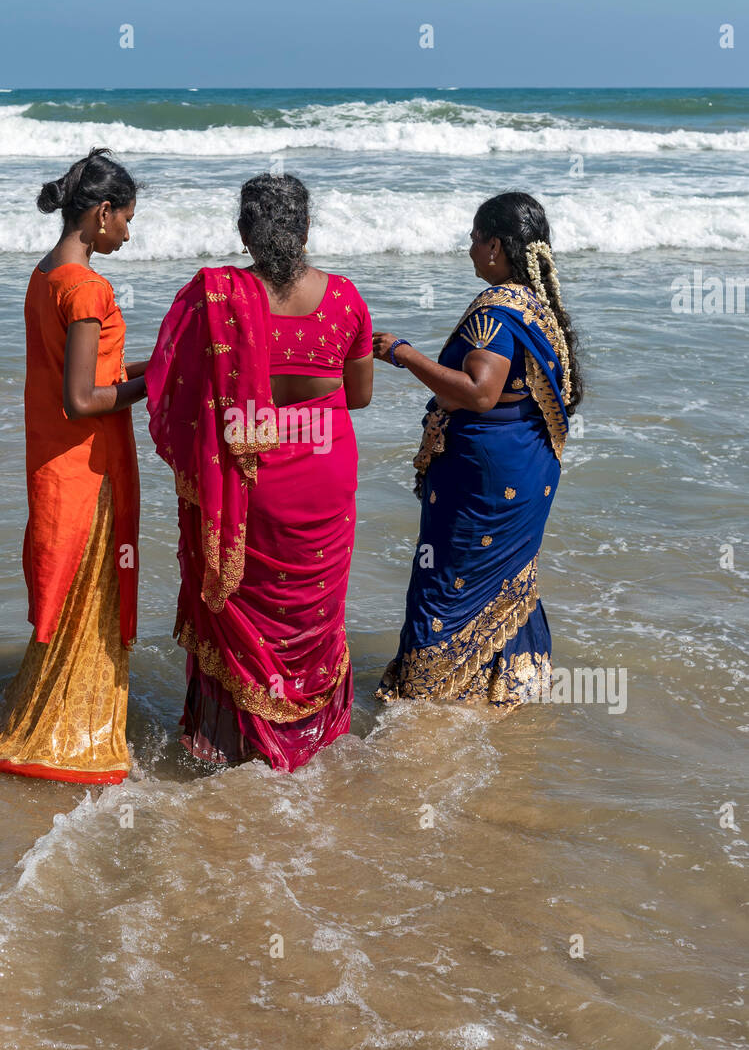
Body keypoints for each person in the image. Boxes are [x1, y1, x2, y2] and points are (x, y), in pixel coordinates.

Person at [146, 174, 374, 771]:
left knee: (243, 606)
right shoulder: (346, 297)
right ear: (305, 229)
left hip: (247, 478)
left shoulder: (213, 296)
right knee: (315, 609)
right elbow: (359, 396)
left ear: (245, 233)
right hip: (325, 472)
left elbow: (175, 384)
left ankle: (232, 748)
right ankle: (315, 743)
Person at [0, 148, 147, 783]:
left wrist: (145, 368)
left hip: (52, 461)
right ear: (100, 214)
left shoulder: (45, 274)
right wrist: (147, 389)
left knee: (69, 594)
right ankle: (70, 732)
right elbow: (82, 400)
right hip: (85, 466)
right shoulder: (88, 287)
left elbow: (83, 376)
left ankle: (44, 712)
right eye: (126, 219)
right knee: (89, 594)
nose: (128, 232)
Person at [372, 191, 582, 711]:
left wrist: (403, 354)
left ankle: (429, 698)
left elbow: (479, 391)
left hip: (485, 477)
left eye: (474, 238)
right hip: (527, 467)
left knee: (448, 581)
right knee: (504, 579)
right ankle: (503, 687)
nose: (468, 249)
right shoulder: (540, 310)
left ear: (496, 246)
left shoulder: (496, 309)